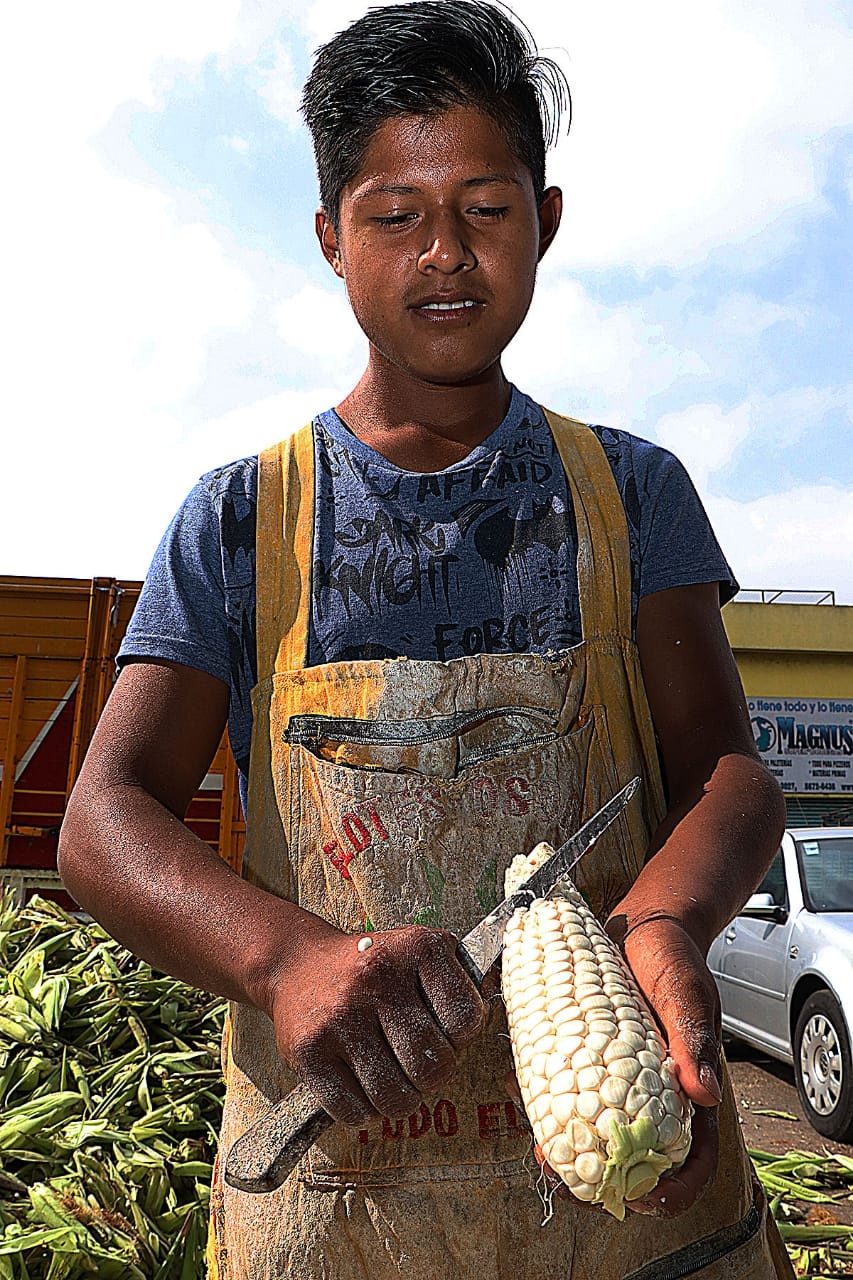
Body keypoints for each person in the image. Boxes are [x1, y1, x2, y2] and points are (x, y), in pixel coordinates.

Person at [58, 3, 794, 1277]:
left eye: (487, 209)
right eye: (395, 214)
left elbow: (726, 772)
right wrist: (283, 957)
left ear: (545, 222)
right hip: (343, 1198)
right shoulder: (244, 520)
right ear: (330, 239)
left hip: (644, 1191)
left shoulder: (630, 496)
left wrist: (661, 921)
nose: (445, 253)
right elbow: (103, 820)